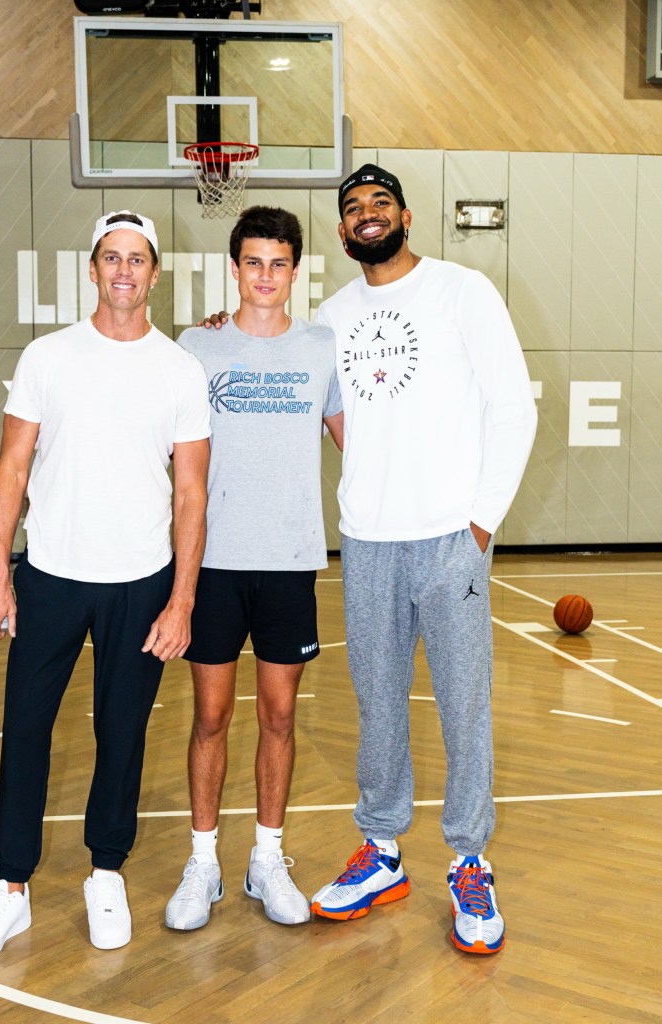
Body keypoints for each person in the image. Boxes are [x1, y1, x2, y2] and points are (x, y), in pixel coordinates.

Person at [0, 211, 211, 963]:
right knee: (27, 731)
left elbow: (191, 493)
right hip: (52, 577)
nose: (124, 271)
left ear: (155, 274)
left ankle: (107, 871)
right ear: (92, 269)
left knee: (121, 735)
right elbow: (11, 467)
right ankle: (9, 890)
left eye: (137, 259)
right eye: (111, 257)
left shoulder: (179, 369)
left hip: (141, 581)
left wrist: (183, 599)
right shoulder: (49, 357)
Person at [308, 164, 537, 954]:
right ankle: (383, 850)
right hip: (368, 540)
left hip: (451, 538)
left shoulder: (462, 291)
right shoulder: (328, 317)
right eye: (352, 209)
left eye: (379, 203)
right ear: (342, 233)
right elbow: (320, 407)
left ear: (406, 215)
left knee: (464, 703)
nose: (367, 216)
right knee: (377, 702)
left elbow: (514, 405)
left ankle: (470, 860)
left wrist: (479, 525)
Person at [164, 206, 343, 932]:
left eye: (278, 263)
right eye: (253, 262)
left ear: (294, 271)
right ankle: (202, 861)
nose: (265, 275)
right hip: (210, 565)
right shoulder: (194, 348)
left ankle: (266, 857)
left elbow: (356, 441)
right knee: (209, 717)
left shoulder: (323, 348)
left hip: (290, 561)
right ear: (233, 268)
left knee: (278, 716)